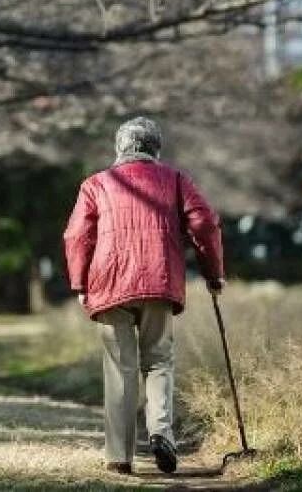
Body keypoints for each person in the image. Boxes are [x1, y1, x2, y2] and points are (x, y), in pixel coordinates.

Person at [63, 116, 224, 476]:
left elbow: (76, 235)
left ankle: (120, 456)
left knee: (119, 369)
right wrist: (214, 274)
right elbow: (204, 224)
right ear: (156, 148)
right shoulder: (176, 180)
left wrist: (80, 283)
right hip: (159, 280)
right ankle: (160, 431)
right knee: (158, 361)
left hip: (109, 285)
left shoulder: (96, 184)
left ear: (119, 147)